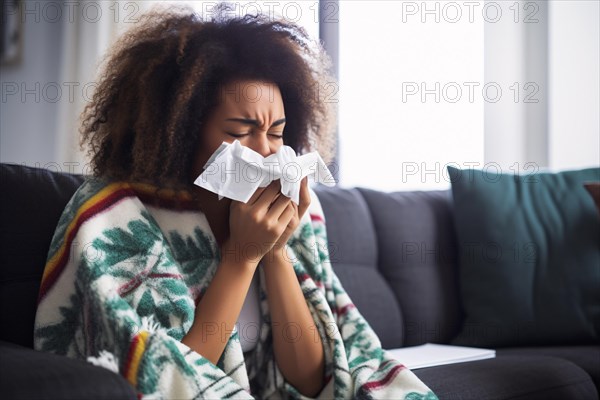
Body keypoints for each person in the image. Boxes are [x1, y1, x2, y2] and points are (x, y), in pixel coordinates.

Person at [34, 4, 438, 399]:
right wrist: (241, 258)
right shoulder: (115, 214)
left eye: (277, 133)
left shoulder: (297, 210)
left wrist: (276, 251)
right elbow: (168, 382)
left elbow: (314, 381)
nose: (266, 152)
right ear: (181, 134)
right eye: (242, 131)